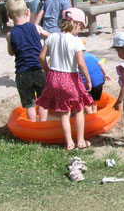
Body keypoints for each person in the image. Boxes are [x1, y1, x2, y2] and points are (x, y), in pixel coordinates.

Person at [36, 8, 94, 150]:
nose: (79, 30)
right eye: (80, 27)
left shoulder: (51, 37)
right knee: (79, 109)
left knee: (63, 112)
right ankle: (80, 141)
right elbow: (81, 63)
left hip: (54, 78)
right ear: (76, 24)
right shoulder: (76, 41)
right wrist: (88, 80)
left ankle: (69, 142)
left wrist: (47, 70)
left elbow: (41, 57)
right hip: (70, 78)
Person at [5, 0, 50, 121]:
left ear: (9, 15)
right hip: (38, 69)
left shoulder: (10, 35)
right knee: (43, 100)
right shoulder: (35, 28)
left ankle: (32, 125)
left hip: (22, 73)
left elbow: (11, 52)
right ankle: (43, 124)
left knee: (30, 103)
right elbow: (50, 37)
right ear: (27, 12)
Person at [80, 48, 111, 114]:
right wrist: (105, 74)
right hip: (99, 80)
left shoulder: (76, 58)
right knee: (94, 99)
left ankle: (90, 116)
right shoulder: (89, 55)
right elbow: (100, 63)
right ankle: (95, 112)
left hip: (86, 83)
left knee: (86, 102)